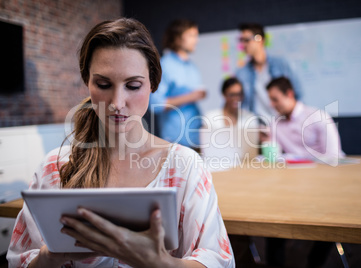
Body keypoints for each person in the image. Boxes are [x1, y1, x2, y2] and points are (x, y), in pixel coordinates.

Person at [7, 18, 234, 268]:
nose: (117, 102)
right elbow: (20, 261)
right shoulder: (55, 167)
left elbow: (218, 260)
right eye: (103, 84)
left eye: (133, 85)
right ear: (87, 81)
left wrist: (160, 262)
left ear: (153, 84)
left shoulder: (184, 167)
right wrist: (50, 257)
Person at [149, 19, 206, 151]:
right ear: (177, 38)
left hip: (196, 139)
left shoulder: (192, 67)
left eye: (196, 36)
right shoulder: (165, 65)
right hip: (176, 142)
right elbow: (155, 105)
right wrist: (192, 96)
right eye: (191, 35)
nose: (196, 40)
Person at [261, 76, 344, 161]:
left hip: (321, 170)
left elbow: (334, 155)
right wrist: (266, 139)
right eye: (270, 100)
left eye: (275, 99)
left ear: (289, 94)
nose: (271, 105)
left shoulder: (318, 117)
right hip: (292, 171)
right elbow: (273, 157)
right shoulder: (275, 124)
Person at [236, 23, 302, 122]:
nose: (243, 45)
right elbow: (242, 105)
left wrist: (297, 121)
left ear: (259, 39)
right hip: (259, 127)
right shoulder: (242, 73)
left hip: (284, 122)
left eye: (246, 40)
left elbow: (298, 94)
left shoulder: (281, 64)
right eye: (241, 40)